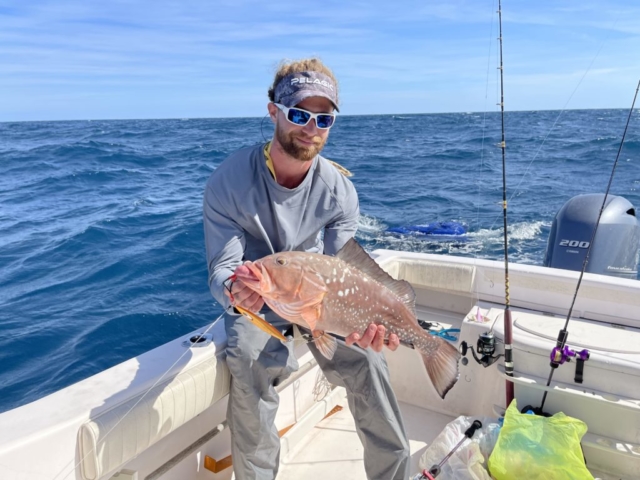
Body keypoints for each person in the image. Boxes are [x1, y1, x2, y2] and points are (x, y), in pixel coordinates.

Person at [203, 58, 410, 480]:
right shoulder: (227, 182)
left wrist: (365, 320)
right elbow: (223, 269)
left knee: (370, 361)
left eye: (324, 117)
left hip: (320, 299)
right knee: (246, 361)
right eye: (299, 113)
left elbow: (344, 272)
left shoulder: (340, 191)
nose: (311, 127)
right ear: (273, 111)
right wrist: (233, 290)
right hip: (259, 301)